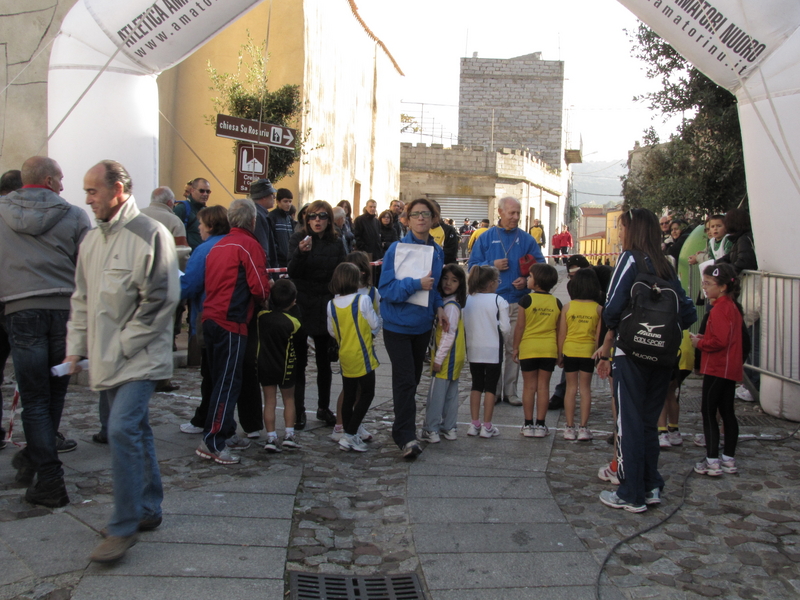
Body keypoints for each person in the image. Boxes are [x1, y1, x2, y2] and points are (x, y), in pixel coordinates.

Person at [66, 159, 178, 563]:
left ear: (118, 190)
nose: (87, 199)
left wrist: (120, 346)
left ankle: (123, 525)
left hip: (139, 357)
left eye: (93, 190)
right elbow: (81, 299)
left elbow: (162, 299)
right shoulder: (92, 240)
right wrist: (76, 346)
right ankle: (148, 507)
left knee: (121, 429)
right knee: (136, 430)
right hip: (108, 357)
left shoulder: (151, 233)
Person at [0, 157, 91, 507]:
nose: (65, 186)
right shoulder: (74, 215)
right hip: (64, 311)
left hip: (21, 309)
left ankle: (48, 474)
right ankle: (39, 463)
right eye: (62, 179)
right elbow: (86, 265)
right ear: (50, 181)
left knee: (35, 397)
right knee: (53, 395)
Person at [597, 208, 696, 513]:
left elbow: (611, 307)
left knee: (628, 423)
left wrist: (612, 336)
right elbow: (688, 312)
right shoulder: (666, 265)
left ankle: (630, 492)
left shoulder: (629, 260)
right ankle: (651, 485)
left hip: (631, 355)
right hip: (663, 356)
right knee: (649, 423)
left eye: (621, 227)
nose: (620, 233)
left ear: (633, 230)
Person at [197, 199, 270, 465]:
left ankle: (224, 431)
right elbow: (259, 288)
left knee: (219, 380)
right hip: (232, 321)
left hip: (211, 317)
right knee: (228, 383)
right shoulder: (248, 245)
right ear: (252, 221)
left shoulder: (218, 245)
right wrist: (268, 292)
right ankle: (213, 440)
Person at [379, 198, 447, 459]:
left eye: (426, 214)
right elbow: (386, 290)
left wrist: (439, 306)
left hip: (422, 326)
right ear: (406, 219)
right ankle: (406, 436)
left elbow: (436, 286)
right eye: (415, 214)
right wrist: (415, 283)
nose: (421, 218)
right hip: (397, 325)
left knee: (414, 379)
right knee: (405, 379)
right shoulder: (396, 249)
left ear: (434, 219)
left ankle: (402, 428)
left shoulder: (437, 251)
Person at [468, 197, 545, 407]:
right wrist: (490, 264)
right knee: (494, 349)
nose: (516, 217)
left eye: (518, 213)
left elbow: (541, 267)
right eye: (512, 213)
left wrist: (528, 281)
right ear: (500, 213)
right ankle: (494, 391)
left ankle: (510, 391)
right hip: (490, 303)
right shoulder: (485, 238)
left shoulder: (527, 239)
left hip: (516, 302)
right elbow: (472, 266)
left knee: (513, 349)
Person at [288, 200, 345, 427]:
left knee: (324, 362)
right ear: (306, 219)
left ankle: (323, 407)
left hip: (326, 305)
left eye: (322, 216)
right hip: (302, 304)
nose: (317, 220)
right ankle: (299, 410)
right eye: (312, 216)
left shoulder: (336, 241)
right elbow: (292, 271)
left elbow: (342, 273)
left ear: (329, 219)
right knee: (299, 362)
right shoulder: (298, 239)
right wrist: (301, 253)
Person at [178, 206, 230, 435]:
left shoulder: (204, 250)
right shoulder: (233, 244)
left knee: (210, 371)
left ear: (210, 225)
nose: (198, 227)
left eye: (201, 224)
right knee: (222, 371)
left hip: (209, 314)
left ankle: (207, 419)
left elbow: (190, 285)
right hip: (232, 315)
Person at [690, 263, 743, 476]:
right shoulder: (731, 306)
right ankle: (729, 458)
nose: (704, 287)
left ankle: (712, 459)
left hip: (717, 367)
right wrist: (704, 338)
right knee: (727, 412)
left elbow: (719, 341)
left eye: (708, 283)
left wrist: (699, 344)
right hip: (729, 367)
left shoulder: (720, 309)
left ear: (721, 287)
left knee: (709, 412)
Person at [327, 263, 381, 452]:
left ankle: (349, 432)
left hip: (345, 355)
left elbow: (332, 331)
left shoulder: (331, 304)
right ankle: (350, 434)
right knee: (367, 393)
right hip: (362, 354)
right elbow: (374, 324)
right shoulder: (362, 300)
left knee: (349, 395)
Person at [513, 263, 560, 438]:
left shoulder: (526, 300)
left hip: (529, 348)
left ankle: (527, 424)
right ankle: (541, 424)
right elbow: (558, 329)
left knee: (528, 387)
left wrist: (515, 347)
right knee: (543, 387)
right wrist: (559, 351)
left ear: (538, 282)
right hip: (548, 349)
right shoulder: (556, 302)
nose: (528, 279)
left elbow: (520, 327)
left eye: (530, 277)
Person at [421, 264, 467, 443]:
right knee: (451, 395)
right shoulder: (452, 304)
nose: (448, 283)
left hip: (447, 358)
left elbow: (448, 335)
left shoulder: (450, 307)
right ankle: (449, 427)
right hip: (454, 358)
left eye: (454, 280)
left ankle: (431, 429)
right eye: (446, 279)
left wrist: (438, 359)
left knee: (436, 396)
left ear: (460, 284)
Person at [463, 265, 510, 438]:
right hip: (493, 348)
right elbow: (505, 328)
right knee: (491, 387)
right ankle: (487, 425)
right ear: (491, 284)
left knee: (476, 384)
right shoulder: (499, 300)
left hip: (473, 348)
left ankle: (474, 423)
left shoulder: (468, 299)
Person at [557, 268, 603, 442]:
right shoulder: (598, 309)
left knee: (570, 389)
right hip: (588, 352)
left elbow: (562, 333)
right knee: (585, 389)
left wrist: (560, 354)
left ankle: (569, 427)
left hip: (570, 350)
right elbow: (599, 337)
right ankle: (583, 427)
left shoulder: (568, 307)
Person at [257, 279, 301, 453]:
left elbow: (262, 307)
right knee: (289, 399)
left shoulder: (262, 318)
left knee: (269, 401)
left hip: (265, 364)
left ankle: (271, 436)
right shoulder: (293, 323)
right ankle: (289, 434)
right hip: (286, 365)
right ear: (292, 300)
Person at [657, 331, 694, 449]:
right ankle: (674, 430)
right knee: (670, 392)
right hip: (686, 355)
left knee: (659, 393)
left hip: (672, 353)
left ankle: (662, 432)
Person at [174, 177, 211, 250]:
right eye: (201, 191)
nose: (205, 194)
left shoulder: (206, 211)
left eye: (208, 191)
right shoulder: (181, 209)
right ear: (192, 190)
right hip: (187, 256)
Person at [716, 208, 757, 274]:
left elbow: (744, 262)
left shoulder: (743, 239)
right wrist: (715, 263)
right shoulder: (739, 238)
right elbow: (730, 256)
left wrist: (725, 272)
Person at [268, 188, 296, 269]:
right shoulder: (272, 217)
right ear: (278, 202)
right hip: (278, 261)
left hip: (289, 260)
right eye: (285, 201)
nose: (288, 204)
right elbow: (271, 239)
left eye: (290, 201)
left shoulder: (289, 219)